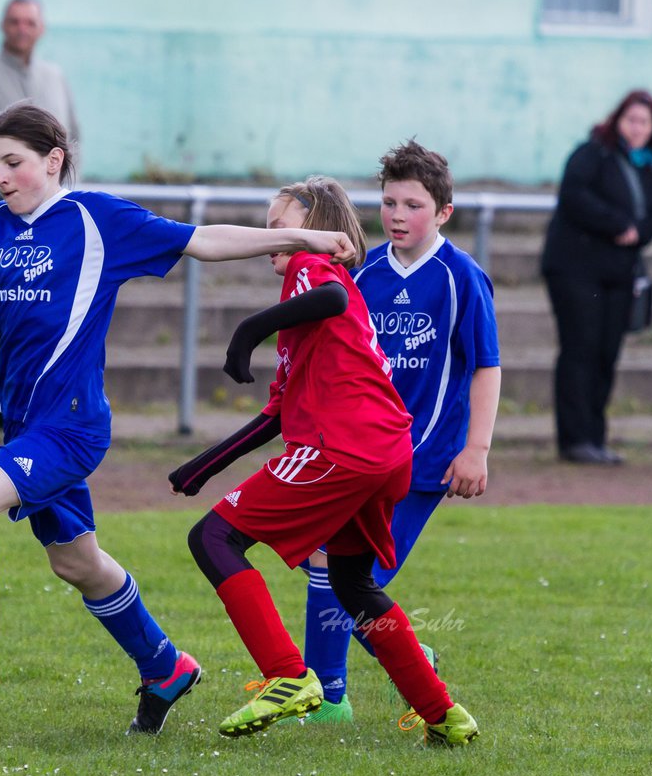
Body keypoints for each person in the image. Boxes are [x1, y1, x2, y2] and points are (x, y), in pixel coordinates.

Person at [0, 104, 356, 735]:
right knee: (77, 564)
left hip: (72, 427)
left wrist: (300, 238)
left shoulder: (96, 219)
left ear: (53, 161)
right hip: (25, 427)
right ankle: (165, 666)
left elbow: (201, 240)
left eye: (14, 163)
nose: (1, 176)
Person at [172, 149, 500, 725]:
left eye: (279, 226)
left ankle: (305, 685)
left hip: (373, 452)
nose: (267, 236)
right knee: (350, 581)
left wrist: (246, 331)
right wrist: (200, 467)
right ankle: (438, 707)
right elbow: (279, 408)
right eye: (389, 202)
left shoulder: (321, 269)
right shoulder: (348, 284)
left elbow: (337, 298)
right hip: (385, 451)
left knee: (221, 542)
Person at [0, 0, 81, 431]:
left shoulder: (54, 77)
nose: (22, 28)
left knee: (29, 306)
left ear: (40, 28)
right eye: (14, 21)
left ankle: (25, 404)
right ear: (3, 26)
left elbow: (70, 138)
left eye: (29, 21)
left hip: (47, 222)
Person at [541, 90, 652, 465]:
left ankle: (595, 436)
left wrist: (637, 232)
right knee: (581, 349)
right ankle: (574, 439)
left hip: (618, 275)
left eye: (644, 122)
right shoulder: (591, 154)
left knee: (607, 353)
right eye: (631, 119)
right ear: (618, 120)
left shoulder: (649, 169)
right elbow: (575, 196)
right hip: (575, 270)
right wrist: (619, 226)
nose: (637, 128)